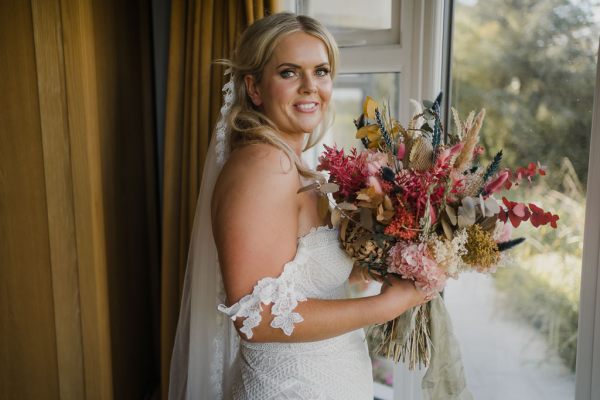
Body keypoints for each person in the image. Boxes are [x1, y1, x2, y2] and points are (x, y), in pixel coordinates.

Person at [168, 12, 430, 400]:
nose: (311, 87)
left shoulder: (295, 165)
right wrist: (384, 307)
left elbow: (303, 282)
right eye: (289, 73)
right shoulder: (266, 166)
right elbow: (254, 317)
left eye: (321, 71)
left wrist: (395, 261)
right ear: (254, 88)